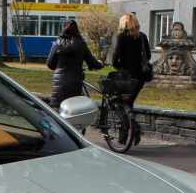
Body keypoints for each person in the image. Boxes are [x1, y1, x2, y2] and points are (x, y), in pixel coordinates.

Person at [109, 12, 151, 144]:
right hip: (140, 77)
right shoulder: (142, 37)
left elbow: (115, 57)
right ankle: (123, 138)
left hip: (126, 77)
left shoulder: (122, 37)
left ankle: (135, 128)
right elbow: (148, 56)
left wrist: (118, 65)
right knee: (128, 104)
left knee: (120, 104)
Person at [45, 19, 103, 107]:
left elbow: (50, 64)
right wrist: (100, 64)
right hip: (75, 82)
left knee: (57, 109)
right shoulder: (82, 45)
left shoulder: (57, 44)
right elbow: (92, 63)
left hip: (60, 83)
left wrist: (58, 67)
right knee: (74, 108)